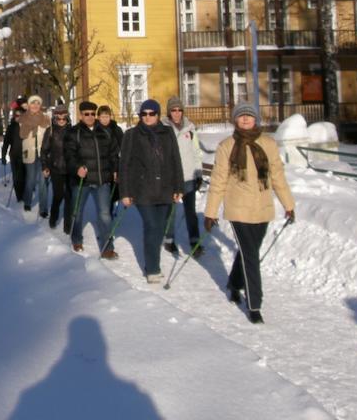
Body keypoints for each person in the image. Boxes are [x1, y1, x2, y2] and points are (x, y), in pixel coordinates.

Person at [204, 102, 296, 324]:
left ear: (256, 119)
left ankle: (234, 283)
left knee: (248, 252)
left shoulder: (268, 144)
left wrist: (288, 205)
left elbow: (278, 177)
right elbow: (218, 180)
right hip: (238, 209)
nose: (245, 119)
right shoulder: (227, 145)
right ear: (235, 120)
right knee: (251, 257)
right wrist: (211, 212)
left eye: (249, 116)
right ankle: (254, 304)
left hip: (263, 209)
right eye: (241, 116)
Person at [118, 99, 184, 282]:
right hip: (142, 189)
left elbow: (175, 160)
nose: (148, 117)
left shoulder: (168, 132)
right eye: (144, 114)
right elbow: (124, 165)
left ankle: (153, 262)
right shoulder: (131, 135)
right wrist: (125, 192)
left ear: (157, 114)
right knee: (151, 226)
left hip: (165, 188)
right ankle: (152, 268)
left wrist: (178, 186)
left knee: (160, 228)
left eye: (151, 113)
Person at [63, 100, 119, 257]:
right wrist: (77, 168)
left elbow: (113, 153)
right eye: (86, 114)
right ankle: (76, 239)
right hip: (83, 180)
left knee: (105, 214)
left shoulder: (105, 132)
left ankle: (108, 247)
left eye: (92, 114)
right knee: (77, 212)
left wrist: (115, 169)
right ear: (81, 115)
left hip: (102, 180)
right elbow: (69, 155)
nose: (90, 117)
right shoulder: (74, 132)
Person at [163, 96, 204, 257]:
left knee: (190, 212)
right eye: (173, 110)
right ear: (169, 112)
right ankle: (169, 240)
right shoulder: (164, 129)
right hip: (172, 178)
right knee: (171, 211)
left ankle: (195, 241)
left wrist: (198, 173)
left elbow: (196, 152)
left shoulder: (190, 129)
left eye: (180, 110)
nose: (177, 113)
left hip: (188, 176)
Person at [40, 105, 72, 232]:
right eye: (59, 118)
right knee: (58, 195)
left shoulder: (73, 130)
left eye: (64, 118)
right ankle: (53, 218)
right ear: (55, 118)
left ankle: (68, 226)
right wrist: (45, 166)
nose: (61, 120)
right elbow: (44, 151)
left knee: (70, 197)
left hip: (70, 169)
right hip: (56, 167)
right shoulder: (51, 131)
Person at [19, 95, 51, 214]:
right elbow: (22, 135)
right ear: (29, 105)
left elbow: (49, 135)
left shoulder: (46, 119)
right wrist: (33, 125)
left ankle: (43, 208)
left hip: (43, 154)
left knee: (43, 182)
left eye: (37, 103)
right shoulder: (23, 118)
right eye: (33, 103)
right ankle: (27, 201)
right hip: (29, 152)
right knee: (30, 180)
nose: (35, 106)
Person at [98, 105, 125, 210]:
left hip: (114, 162)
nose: (105, 119)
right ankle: (106, 211)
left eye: (107, 116)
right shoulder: (95, 129)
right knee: (104, 192)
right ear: (99, 117)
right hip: (101, 164)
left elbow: (123, 145)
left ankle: (110, 208)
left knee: (113, 190)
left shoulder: (116, 129)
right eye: (102, 116)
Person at [1, 107, 25, 201]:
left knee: (24, 176)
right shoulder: (11, 127)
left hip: (26, 155)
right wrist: (3, 155)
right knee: (16, 177)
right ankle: (19, 196)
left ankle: (24, 194)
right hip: (14, 155)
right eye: (17, 115)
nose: (19, 117)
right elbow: (6, 142)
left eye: (21, 115)